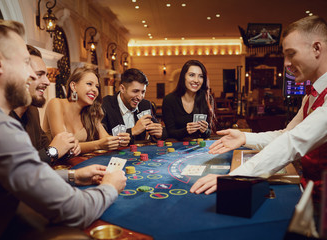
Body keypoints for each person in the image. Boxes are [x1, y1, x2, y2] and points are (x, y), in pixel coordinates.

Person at [0, 17, 126, 240]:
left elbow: (25, 174)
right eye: (24, 63)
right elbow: (76, 210)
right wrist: (110, 186)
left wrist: (73, 176)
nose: (31, 75)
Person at [190, 15, 327, 199]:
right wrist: (244, 137)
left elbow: (292, 143)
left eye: (291, 53)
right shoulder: (311, 96)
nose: (286, 63)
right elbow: (286, 134)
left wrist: (233, 178)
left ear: (317, 48)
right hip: (310, 195)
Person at [10, 45, 80, 165]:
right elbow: (15, 169)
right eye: (39, 75)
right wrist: (53, 151)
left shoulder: (32, 111)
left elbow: (47, 149)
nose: (47, 82)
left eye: (47, 75)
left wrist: (68, 148)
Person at [43, 67, 130, 153]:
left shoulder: (91, 112)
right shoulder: (55, 104)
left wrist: (119, 140)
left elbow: (105, 139)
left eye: (97, 86)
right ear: (73, 86)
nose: (95, 90)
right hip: (53, 165)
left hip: (78, 164)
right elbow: (65, 146)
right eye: (89, 84)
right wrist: (98, 145)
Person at [102, 68, 166, 143]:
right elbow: (102, 139)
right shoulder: (106, 104)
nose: (140, 97)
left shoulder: (145, 105)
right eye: (135, 91)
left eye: (143, 92)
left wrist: (157, 135)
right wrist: (132, 131)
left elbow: (159, 133)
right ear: (122, 88)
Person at [162, 60, 215, 140]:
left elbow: (208, 133)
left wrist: (204, 131)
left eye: (200, 76)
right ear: (184, 77)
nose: (196, 80)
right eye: (192, 75)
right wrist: (186, 130)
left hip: (198, 147)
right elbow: (170, 132)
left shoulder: (207, 98)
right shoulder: (169, 100)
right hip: (176, 148)